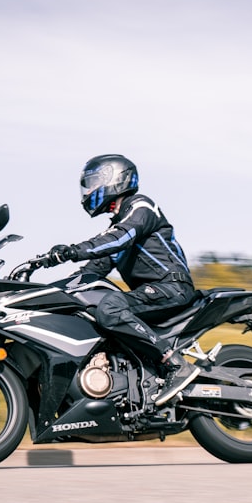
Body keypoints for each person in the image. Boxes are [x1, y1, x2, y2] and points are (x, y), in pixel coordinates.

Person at [40, 154, 200, 406]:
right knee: (87, 309)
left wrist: (72, 250)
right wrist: (51, 294)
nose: (89, 189)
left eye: (94, 182)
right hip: (152, 293)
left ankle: (175, 365)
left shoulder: (141, 207)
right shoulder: (119, 223)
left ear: (115, 178)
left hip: (172, 287)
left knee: (110, 307)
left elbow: (118, 238)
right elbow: (92, 272)